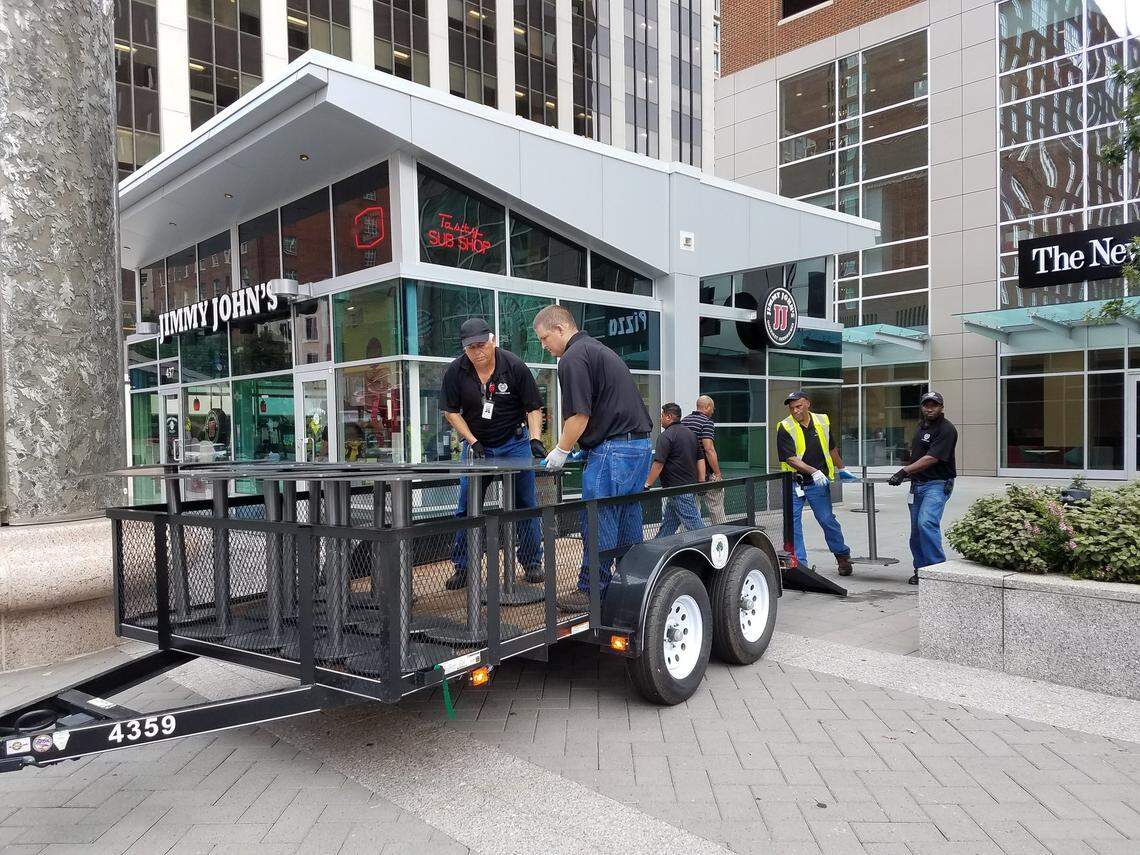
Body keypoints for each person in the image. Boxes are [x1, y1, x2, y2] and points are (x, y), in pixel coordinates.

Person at [532, 304, 653, 612]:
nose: (544, 346)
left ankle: (592, 590)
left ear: (560, 329)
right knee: (627, 515)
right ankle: (633, 583)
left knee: (597, 518)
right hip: (638, 447)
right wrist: (581, 447)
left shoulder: (572, 357)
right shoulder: (599, 350)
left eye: (544, 338)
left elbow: (579, 417)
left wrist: (559, 451)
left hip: (612, 451)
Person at [441, 317, 546, 589]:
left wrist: (535, 439)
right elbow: (450, 411)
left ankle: (532, 561)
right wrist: (472, 441)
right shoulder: (456, 371)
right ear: (464, 349)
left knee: (526, 503)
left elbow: (533, 406)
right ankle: (462, 566)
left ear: (493, 340)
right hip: (479, 446)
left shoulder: (514, 366)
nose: (478, 351)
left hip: (514, 442)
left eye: (481, 344)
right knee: (466, 506)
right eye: (471, 347)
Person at [775, 390, 854, 576]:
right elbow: (790, 459)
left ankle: (842, 555)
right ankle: (800, 566)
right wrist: (814, 471)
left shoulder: (822, 421)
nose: (795, 411)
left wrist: (842, 468)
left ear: (807, 403)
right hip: (795, 483)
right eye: (792, 408)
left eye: (798, 406)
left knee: (826, 519)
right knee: (793, 524)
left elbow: (831, 447)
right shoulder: (785, 427)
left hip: (818, 484)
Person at [888, 391, 958, 586]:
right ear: (922, 407)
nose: (930, 408)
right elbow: (919, 454)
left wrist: (904, 471)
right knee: (917, 531)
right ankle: (921, 570)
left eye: (934, 405)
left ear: (941, 407)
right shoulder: (921, 426)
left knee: (926, 523)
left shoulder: (947, 429)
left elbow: (931, 458)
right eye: (926, 405)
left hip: (937, 484)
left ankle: (938, 572)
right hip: (917, 485)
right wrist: (909, 471)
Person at [647, 403, 705, 538]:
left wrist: (647, 484)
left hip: (678, 489)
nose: (660, 418)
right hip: (687, 487)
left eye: (662, 415)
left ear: (669, 416)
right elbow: (700, 459)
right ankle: (658, 547)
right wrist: (702, 481)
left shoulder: (666, 436)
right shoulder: (691, 434)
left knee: (695, 525)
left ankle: (713, 549)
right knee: (669, 524)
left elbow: (658, 464)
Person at [681, 395, 726, 524]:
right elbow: (709, 449)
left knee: (692, 511)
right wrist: (717, 474)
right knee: (716, 508)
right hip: (706, 474)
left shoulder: (684, 421)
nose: (712, 412)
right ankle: (722, 536)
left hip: (688, 474)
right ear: (707, 407)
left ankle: (692, 540)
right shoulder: (707, 422)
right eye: (712, 409)